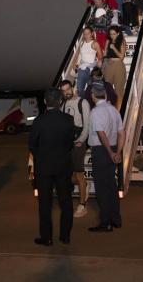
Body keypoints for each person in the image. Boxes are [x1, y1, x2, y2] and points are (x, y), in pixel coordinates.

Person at [28, 88, 75, 245]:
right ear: (61, 102)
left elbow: (32, 145)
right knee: (66, 202)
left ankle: (46, 237)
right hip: (63, 166)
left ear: (45, 102)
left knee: (45, 204)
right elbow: (70, 144)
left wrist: (41, 157)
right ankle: (65, 236)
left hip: (44, 168)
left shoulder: (39, 121)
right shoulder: (68, 120)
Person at [88, 85, 124, 232]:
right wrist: (118, 152)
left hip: (101, 151)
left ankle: (106, 222)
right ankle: (116, 219)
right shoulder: (114, 110)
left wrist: (110, 152)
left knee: (102, 189)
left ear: (93, 96)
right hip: (114, 148)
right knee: (111, 186)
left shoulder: (96, 112)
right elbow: (122, 132)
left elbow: (101, 135)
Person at [59, 80, 91, 218]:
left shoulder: (82, 102)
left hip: (78, 142)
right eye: (63, 90)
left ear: (72, 88)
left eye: (68, 89)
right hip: (67, 143)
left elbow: (87, 125)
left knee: (78, 174)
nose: (66, 92)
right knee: (69, 175)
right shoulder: (63, 104)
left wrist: (80, 140)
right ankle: (85, 185)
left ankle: (82, 205)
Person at [74, 26, 103, 97]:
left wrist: (98, 63)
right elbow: (77, 55)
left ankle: (89, 103)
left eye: (88, 33)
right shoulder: (81, 43)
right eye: (84, 33)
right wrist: (74, 64)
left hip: (91, 69)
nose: (86, 35)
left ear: (92, 34)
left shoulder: (95, 43)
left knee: (91, 89)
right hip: (82, 68)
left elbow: (100, 56)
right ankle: (84, 102)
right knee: (80, 88)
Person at [103, 26, 127, 111]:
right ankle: (109, 111)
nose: (112, 35)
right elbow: (105, 55)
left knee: (119, 90)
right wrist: (106, 48)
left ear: (118, 33)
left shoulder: (122, 41)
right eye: (111, 34)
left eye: (114, 34)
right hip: (109, 65)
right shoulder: (108, 41)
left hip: (118, 66)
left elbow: (121, 57)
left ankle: (119, 112)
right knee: (107, 89)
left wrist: (114, 48)